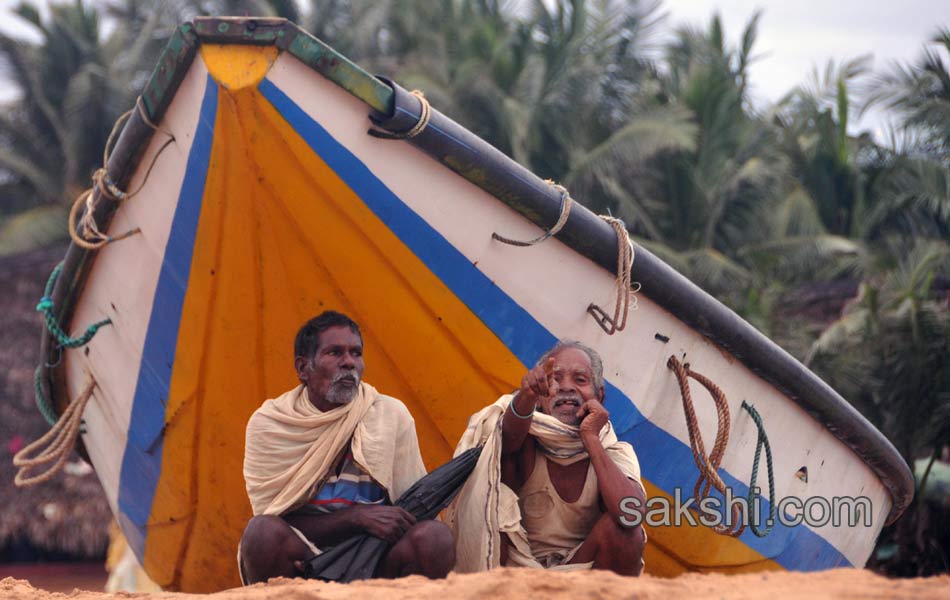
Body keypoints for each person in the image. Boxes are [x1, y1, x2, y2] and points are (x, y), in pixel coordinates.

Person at [239, 311, 455, 583]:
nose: (349, 363)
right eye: (335, 353)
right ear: (303, 368)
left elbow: (410, 514)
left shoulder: (390, 414)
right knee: (262, 534)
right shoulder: (271, 424)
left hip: (376, 561)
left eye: (356, 353)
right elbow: (274, 518)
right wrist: (354, 518)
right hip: (305, 560)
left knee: (435, 538)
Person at [446, 340, 646, 575]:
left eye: (580, 380)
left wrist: (590, 438)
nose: (566, 387)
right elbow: (506, 441)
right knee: (493, 498)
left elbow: (630, 513)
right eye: (555, 379)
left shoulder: (613, 450)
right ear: (541, 396)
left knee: (625, 533)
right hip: (514, 575)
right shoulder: (525, 438)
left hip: (581, 578)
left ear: (599, 395)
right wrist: (526, 397)